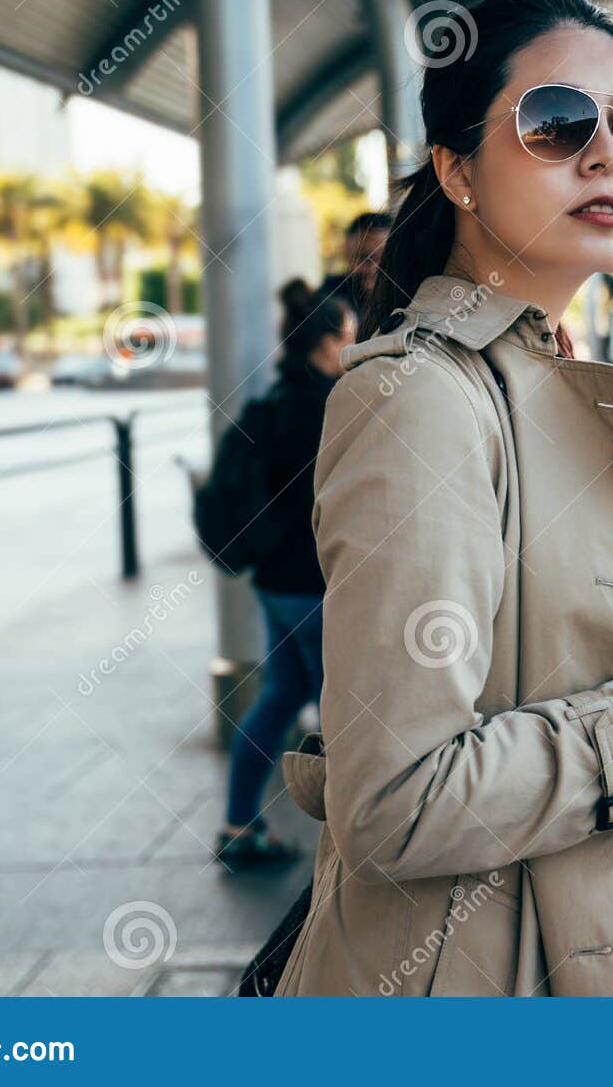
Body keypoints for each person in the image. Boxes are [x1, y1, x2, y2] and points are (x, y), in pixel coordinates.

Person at [271, 0, 613, 998]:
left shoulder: (566, 383)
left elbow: (561, 686)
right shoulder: (418, 399)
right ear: (457, 170)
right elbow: (394, 799)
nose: (607, 152)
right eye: (556, 122)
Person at [213, 280, 357, 870]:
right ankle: (352, 853)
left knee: (282, 694)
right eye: (347, 337)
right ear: (325, 345)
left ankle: (238, 822)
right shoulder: (329, 407)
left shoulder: (272, 402)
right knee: (348, 713)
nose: (352, 348)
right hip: (311, 585)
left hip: (274, 582)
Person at [318, 211, 390, 316]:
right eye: (364, 258)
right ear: (345, 254)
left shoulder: (412, 298)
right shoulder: (328, 297)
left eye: (385, 259)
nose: (374, 268)